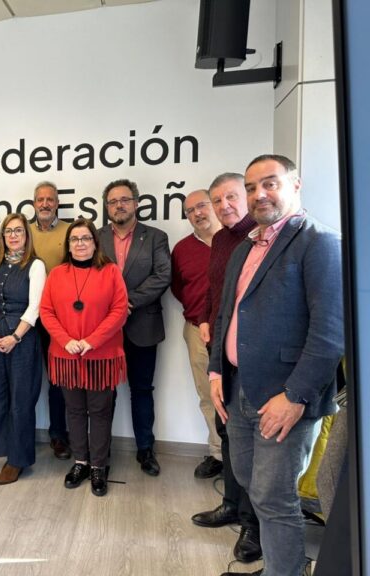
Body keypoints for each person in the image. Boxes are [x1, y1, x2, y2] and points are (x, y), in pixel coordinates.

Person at [210, 155, 343, 576]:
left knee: (275, 496)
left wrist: (296, 396)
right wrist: (216, 370)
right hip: (238, 388)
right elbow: (225, 314)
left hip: (284, 396)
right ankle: (283, 566)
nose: (259, 194)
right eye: (251, 187)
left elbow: (330, 332)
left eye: (270, 183)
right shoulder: (245, 248)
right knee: (252, 483)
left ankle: (285, 571)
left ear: (295, 185)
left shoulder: (320, 242)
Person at [191, 173, 261, 565]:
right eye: (217, 200)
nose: (224, 206)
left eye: (231, 197)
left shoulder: (261, 238)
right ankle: (232, 505)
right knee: (229, 431)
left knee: (253, 444)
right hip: (220, 350)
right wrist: (205, 318)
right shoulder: (221, 240)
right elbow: (214, 290)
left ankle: (253, 524)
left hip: (253, 357)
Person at [39, 219, 128, 496]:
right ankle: (80, 462)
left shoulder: (110, 271)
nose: (80, 243)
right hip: (66, 355)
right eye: (74, 239)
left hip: (101, 355)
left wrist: (92, 341)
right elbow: (46, 311)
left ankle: (98, 466)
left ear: (95, 242)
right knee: (74, 410)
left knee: (100, 411)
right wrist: (65, 340)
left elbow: (119, 310)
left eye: (85, 238)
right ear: (68, 245)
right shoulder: (57, 274)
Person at [97, 179, 171, 476]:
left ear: (136, 203)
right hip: (103, 330)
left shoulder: (155, 237)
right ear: (107, 207)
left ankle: (145, 449)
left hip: (142, 324)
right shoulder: (96, 237)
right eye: (113, 201)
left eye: (124, 200)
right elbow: (87, 277)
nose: (119, 205)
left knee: (142, 390)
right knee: (104, 392)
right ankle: (101, 451)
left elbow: (162, 275)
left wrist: (127, 302)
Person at [0, 213, 46, 485]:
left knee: (21, 400)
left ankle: (18, 460)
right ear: (2, 236)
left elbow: (35, 307)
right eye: (8, 231)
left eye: (19, 231)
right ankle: (5, 450)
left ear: (27, 235)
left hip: (23, 341)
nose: (13, 236)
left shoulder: (36, 265)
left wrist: (15, 337)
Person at [170, 190, 223, 478]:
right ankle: (218, 454)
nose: (197, 213)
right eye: (190, 211)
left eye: (201, 206)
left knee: (241, 398)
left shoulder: (240, 239)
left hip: (237, 333)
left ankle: (243, 461)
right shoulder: (182, 249)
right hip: (197, 332)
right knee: (208, 395)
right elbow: (179, 288)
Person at [29, 181, 72, 459]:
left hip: (58, 319)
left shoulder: (69, 231)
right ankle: (24, 434)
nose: (45, 204)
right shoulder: (25, 231)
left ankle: (59, 435)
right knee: (27, 379)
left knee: (58, 380)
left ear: (57, 203)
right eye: (40, 199)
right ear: (34, 203)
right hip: (28, 319)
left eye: (50, 199)